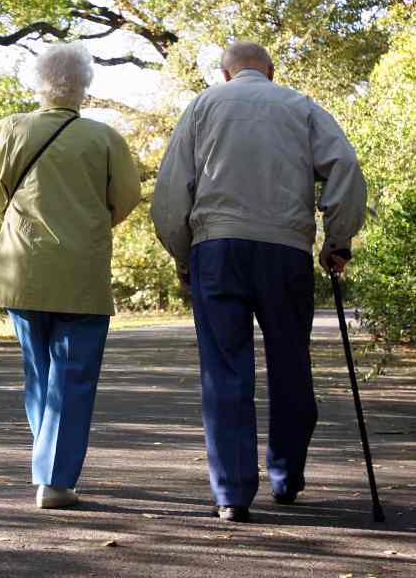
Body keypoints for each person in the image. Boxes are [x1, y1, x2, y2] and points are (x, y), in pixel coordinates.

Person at [151, 41, 367, 523]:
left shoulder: (204, 105)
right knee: (290, 361)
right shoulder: (301, 106)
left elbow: (172, 187)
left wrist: (182, 252)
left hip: (217, 249)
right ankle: (286, 476)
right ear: (270, 71)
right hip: (285, 250)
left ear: (226, 75)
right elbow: (345, 169)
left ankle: (232, 493)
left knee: (224, 370)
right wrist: (338, 239)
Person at [0, 42, 141, 510]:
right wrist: (91, 223)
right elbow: (127, 197)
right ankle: (53, 477)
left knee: (38, 373)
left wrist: (17, 224)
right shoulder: (104, 138)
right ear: (84, 88)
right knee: (72, 375)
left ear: (39, 84)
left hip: (22, 268)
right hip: (82, 271)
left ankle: (48, 463)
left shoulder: (10, 129)